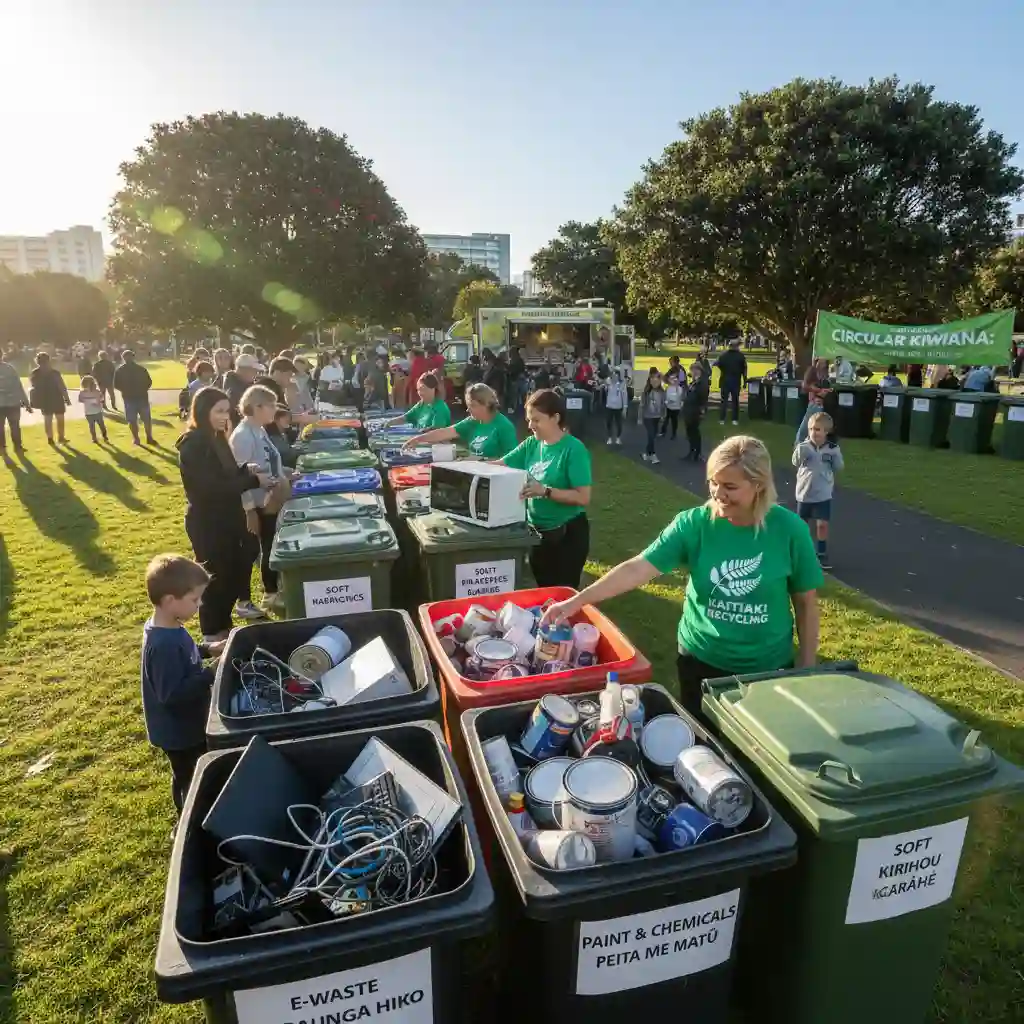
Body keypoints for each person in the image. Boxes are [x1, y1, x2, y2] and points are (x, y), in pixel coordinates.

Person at [541, 435, 822, 720]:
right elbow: (638, 568)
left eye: (730, 486)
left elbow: (806, 603)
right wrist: (576, 602)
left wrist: (808, 667)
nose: (717, 493)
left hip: (767, 669)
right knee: (703, 745)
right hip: (700, 661)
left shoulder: (789, 530)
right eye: (713, 482)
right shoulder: (694, 524)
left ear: (759, 484)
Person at [176, 387, 273, 640]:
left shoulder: (216, 437)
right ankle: (212, 634)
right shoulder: (193, 444)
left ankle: (224, 628)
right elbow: (210, 488)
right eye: (218, 411)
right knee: (215, 581)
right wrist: (252, 480)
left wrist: (244, 470)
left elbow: (226, 474)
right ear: (202, 410)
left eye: (226, 410)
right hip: (209, 522)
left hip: (228, 517)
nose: (224, 416)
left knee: (235, 572)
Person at [141, 554, 226, 815]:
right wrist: (210, 674)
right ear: (169, 600)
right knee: (189, 777)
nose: (199, 605)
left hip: (189, 723)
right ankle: (187, 822)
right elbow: (172, 694)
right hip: (178, 731)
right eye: (194, 600)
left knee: (191, 772)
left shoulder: (170, 626)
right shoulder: (163, 644)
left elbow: (186, 651)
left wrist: (207, 649)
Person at [501, 389, 592, 588]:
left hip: (567, 537)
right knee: (543, 589)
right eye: (528, 420)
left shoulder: (573, 449)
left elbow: (583, 497)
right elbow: (502, 465)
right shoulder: (532, 444)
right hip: (537, 534)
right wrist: (466, 466)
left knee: (561, 594)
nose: (530, 426)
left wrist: (546, 491)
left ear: (555, 418)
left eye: (536, 420)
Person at [230, 386, 294, 615]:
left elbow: (270, 458)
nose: (275, 410)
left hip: (271, 497)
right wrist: (249, 511)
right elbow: (240, 477)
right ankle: (269, 594)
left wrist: (286, 472)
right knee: (264, 547)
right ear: (257, 407)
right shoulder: (243, 435)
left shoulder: (259, 429)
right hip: (259, 502)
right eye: (271, 405)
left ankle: (273, 590)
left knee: (271, 543)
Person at [404, 382, 516, 458]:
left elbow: (512, 462)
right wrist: (418, 439)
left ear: (486, 404)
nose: (468, 409)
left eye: (473, 405)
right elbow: (445, 432)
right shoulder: (472, 421)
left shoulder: (504, 426)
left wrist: (481, 461)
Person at [793, 411, 844, 571]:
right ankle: (801, 553)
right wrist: (799, 451)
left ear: (826, 432)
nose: (814, 433)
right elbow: (795, 462)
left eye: (818, 429)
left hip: (823, 494)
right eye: (811, 429)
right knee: (802, 526)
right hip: (804, 494)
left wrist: (835, 458)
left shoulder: (832, 449)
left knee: (822, 525)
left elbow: (839, 467)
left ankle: (821, 553)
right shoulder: (804, 447)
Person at [28, 352, 71, 446]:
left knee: (48, 419)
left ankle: (50, 438)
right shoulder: (54, 372)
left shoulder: (35, 373)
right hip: (56, 397)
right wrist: (67, 398)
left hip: (44, 399)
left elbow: (33, 386)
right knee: (60, 419)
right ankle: (61, 437)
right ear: (48, 360)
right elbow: (61, 386)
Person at [114, 349, 155, 445]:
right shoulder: (141, 369)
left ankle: (136, 439)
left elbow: (116, 384)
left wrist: (125, 390)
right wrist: (143, 389)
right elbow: (149, 382)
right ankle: (149, 437)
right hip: (141, 397)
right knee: (146, 419)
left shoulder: (120, 370)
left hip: (129, 398)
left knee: (132, 420)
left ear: (123, 358)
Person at [0, 352, 30, 456]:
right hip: (13, 402)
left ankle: (2, 448)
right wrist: (26, 402)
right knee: (15, 426)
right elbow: (18, 386)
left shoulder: (10, 368)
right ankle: (18, 447)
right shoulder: (10, 368)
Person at [796, 358, 831, 443]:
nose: (822, 364)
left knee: (817, 428)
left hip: (822, 405)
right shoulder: (812, 370)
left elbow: (826, 389)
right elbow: (805, 385)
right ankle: (798, 445)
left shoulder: (825, 374)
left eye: (824, 362)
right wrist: (819, 391)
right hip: (813, 404)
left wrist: (825, 392)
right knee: (806, 427)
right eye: (820, 361)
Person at [222, 353, 261, 427]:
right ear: (242, 370)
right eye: (253, 370)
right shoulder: (234, 391)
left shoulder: (245, 386)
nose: (256, 373)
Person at [716, 338, 748, 425]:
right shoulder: (741, 356)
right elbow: (744, 370)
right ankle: (734, 419)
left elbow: (718, 364)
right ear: (736, 346)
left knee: (724, 400)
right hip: (735, 380)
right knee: (735, 401)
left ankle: (722, 419)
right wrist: (745, 381)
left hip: (725, 380)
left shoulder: (723, 355)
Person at [682, 362, 709, 462]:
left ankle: (697, 453)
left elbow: (703, 398)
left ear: (698, 370)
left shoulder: (702, 383)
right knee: (690, 432)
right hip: (689, 410)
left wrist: (702, 411)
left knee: (694, 432)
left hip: (695, 411)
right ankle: (691, 451)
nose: (691, 373)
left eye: (692, 370)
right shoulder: (693, 382)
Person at [640, 367, 667, 465]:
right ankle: (653, 455)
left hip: (657, 417)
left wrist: (663, 415)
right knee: (651, 435)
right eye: (653, 379)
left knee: (653, 436)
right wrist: (639, 418)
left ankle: (646, 453)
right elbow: (642, 405)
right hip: (647, 417)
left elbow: (663, 404)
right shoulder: (646, 392)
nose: (655, 381)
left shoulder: (662, 392)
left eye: (657, 379)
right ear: (650, 381)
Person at [78, 375, 109, 443]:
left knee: (100, 425)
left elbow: (101, 399)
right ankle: (95, 438)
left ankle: (103, 437)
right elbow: (80, 400)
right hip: (90, 412)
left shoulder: (96, 392)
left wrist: (97, 401)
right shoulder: (83, 392)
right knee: (94, 426)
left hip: (96, 411)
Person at [604, 369, 628, 445]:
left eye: (615, 375)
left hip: (618, 407)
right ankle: (610, 438)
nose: (614, 376)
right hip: (609, 406)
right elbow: (605, 389)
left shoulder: (622, 384)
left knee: (619, 423)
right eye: (613, 375)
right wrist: (606, 384)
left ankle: (618, 438)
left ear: (618, 376)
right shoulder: (608, 382)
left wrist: (625, 408)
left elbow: (625, 396)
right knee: (609, 422)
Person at [661, 370, 684, 439]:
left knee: (674, 421)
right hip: (668, 407)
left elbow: (679, 397)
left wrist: (677, 403)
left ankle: (674, 433)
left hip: (676, 408)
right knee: (666, 419)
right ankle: (663, 431)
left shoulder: (679, 389)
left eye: (674, 379)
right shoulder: (668, 388)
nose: (673, 380)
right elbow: (666, 397)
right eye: (671, 379)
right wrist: (666, 402)